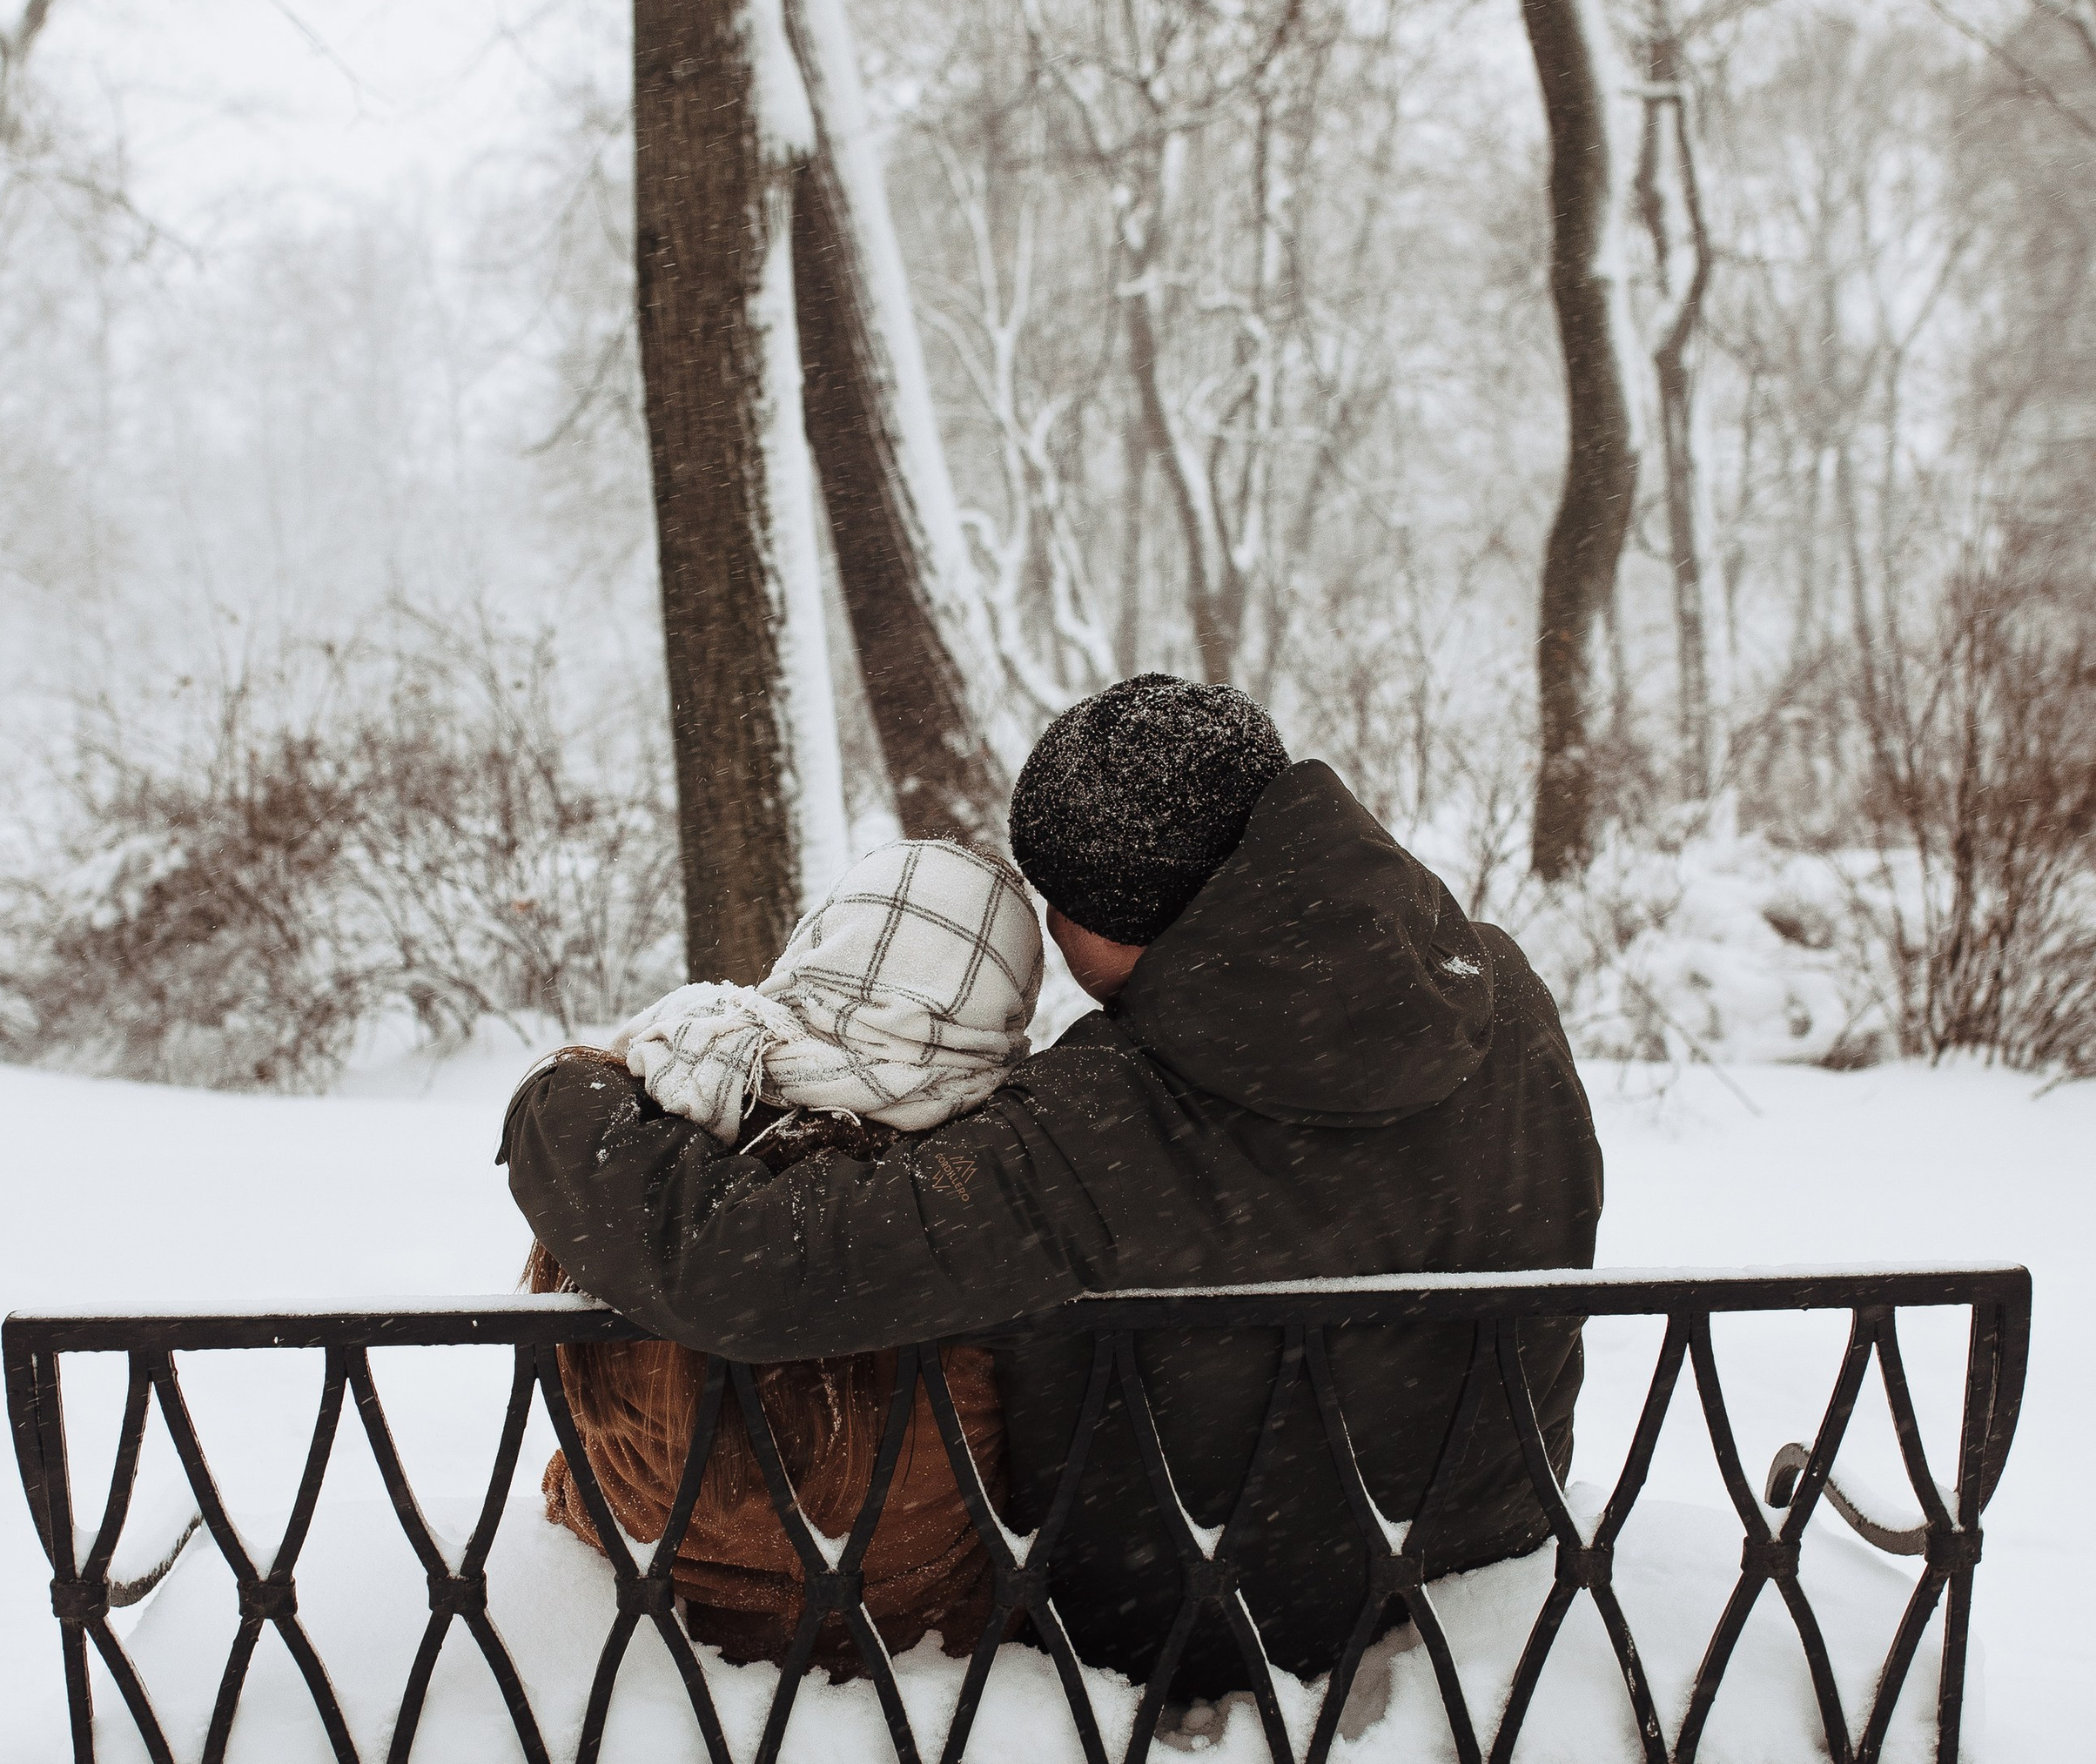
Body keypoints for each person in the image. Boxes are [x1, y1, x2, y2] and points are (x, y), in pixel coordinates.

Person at [504, 676, 1602, 1700]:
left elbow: (756, 1268)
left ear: (1103, 927)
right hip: (1489, 1557)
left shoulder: (1112, 1112)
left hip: (1205, 1629)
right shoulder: (1499, 986)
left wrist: (562, 1103)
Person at [521, 838, 1041, 1679]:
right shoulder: (986, 1198)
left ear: (816, 945)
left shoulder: (652, 1137)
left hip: (645, 1638)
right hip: (922, 1662)